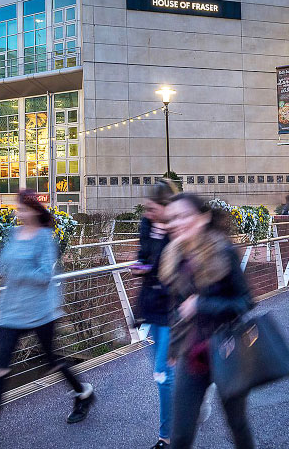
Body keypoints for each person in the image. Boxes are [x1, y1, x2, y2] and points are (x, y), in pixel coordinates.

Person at [0, 190, 93, 449]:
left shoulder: (45, 239)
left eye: (24, 209)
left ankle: (83, 393)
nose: (20, 213)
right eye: (18, 208)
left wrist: (19, 269)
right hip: (11, 311)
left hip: (40, 312)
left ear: (36, 211)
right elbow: (3, 269)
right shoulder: (13, 234)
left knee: (51, 360)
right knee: (0, 369)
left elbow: (45, 276)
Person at [159, 193, 255, 449]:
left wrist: (202, 304)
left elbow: (245, 302)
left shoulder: (223, 252)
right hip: (192, 354)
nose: (176, 223)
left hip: (227, 350)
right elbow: (176, 309)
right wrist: (173, 349)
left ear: (203, 218)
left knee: (237, 425)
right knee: (180, 436)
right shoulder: (172, 257)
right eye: (172, 218)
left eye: (183, 216)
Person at [132, 180, 178, 449]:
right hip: (151, 305)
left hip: (174, 307)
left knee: (162, 373)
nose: (147, 213)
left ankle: (166, 438)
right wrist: (140, 265)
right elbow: (144, 256)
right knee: (161, 372)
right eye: (146, 209)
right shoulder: (146, 225)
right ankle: (192, 397)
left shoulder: (178, 230)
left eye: (152, 208)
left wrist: (150, 267)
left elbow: (176, 269)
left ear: (165, 206)